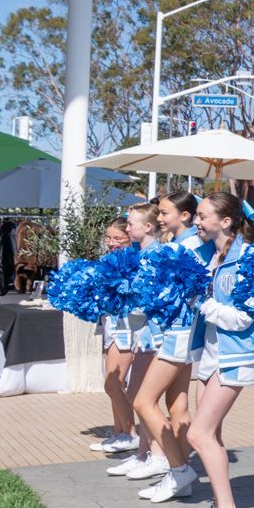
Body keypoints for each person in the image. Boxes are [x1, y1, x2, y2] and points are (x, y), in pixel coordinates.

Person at [181, 192, 254, 508]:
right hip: (213, 353)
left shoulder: (250, 259)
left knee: (197, 434)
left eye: (202, 216)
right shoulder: (212, 255)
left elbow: (244, 317)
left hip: (236, 354)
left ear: (225, 221)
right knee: (210, 434)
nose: (195, 222)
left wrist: (201, 303)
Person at [130, 193, 207, 503]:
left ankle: (178, 468)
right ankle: (180, 474)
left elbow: (174, 293)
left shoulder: (183, 248)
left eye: (164, 213)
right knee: (177, 405)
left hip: (177, 332)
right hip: (179, 332)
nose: (159, 218)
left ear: (184, 216)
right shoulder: (183, 245)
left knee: (143, 401)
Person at [105, 204, 165, 480]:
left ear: (148, 227)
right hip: (140, 332)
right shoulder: (138, 254)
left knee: (143, 398)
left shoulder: (156, 255)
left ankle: (162, 456)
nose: (127, 229)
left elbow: (152, 300)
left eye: (131, 224)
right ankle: (144, 454)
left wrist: (124, 299)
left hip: (153, 334)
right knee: (137, 395)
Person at [91, 218, 141, 456]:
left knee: (114, 383)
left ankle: (129, 434)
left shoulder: (135, 262)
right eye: (108, 238)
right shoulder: (107, 261)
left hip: (127, 327)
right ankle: (119, 431)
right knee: (113, 384)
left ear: (129, 237)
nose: (111, 243)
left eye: (117, 238)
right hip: (111, 325)